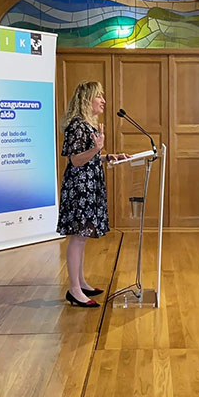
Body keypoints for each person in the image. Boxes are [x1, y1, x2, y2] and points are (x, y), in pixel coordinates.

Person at [57, 81, 126, 307]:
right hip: (79, 189)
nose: (103, 101)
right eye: (99, 96)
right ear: (87, 100)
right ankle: (74, 290)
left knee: (82, 236)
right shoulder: (77, 126)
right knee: (77, 237)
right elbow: (75, 160)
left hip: (89, 186)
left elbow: (87, 158)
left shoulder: (88, 125)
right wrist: (97, 149)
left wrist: (108, 156)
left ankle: (81, 281)